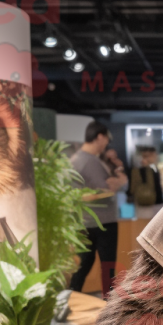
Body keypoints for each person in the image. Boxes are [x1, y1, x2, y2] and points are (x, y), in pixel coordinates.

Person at [69, 121, 128, 296]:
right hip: (103, 222)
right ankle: (109, 308)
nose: (107, 144)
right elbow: (107, 187)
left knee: (83, 265)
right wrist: (119, 182)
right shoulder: (89, 162)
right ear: (100, 137)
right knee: (107, 267)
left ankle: (71, 299)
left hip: (85, 222)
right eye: (106, 139)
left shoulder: (78, 159)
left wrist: (117, 179)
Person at [129, 146, 163, 219]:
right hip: (146, 202)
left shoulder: (153, 168)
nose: (155, 157)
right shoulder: (142, 169)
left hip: (156, 201)